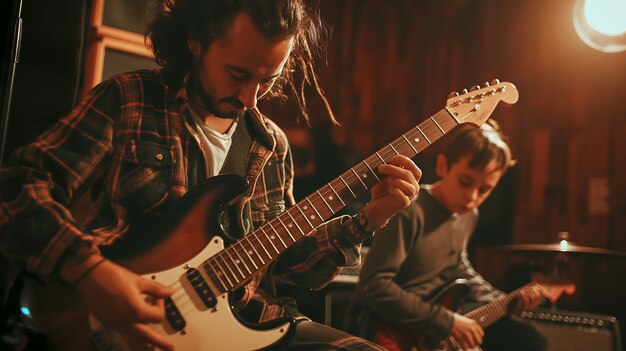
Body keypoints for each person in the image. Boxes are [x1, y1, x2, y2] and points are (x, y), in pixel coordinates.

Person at [0, 0, 421, 350]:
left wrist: (369, 220)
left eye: (267, 81)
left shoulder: (269, 145)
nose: (250, 99)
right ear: (196, 41)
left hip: (245, 326)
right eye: (238, 74)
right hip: (112, 324)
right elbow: (18, 185)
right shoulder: (129, 99)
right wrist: (89, 271)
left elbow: (288, 272)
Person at [351, 121, 548, 351]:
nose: (472, 196)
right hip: (391, 333)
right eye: (465, 182)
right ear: (443, 166)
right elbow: (373, 286)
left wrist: (503, 300)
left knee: (532, 340)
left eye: (484, 189)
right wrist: (447, 321)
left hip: (431, 333)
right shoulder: (409, 210)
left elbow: (456, 265)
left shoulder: (468, 215)